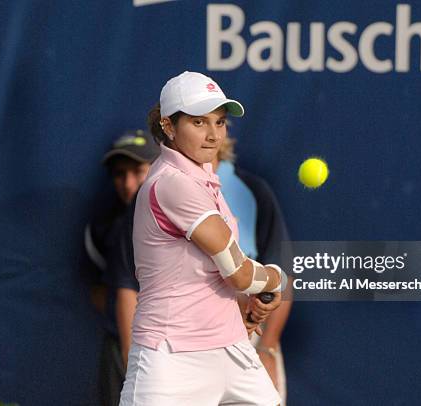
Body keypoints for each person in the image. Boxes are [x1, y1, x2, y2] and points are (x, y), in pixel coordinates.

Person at [119, 71, 286, 406]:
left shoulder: (205, 180)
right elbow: (238, 272)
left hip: (232, 352)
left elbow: (214, 277)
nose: (213, 136)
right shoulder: (172, 183)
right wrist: (276, 278)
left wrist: (248, 312)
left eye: (220, 123)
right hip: (170, 360)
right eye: (199, 123)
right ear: (168, 126)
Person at [212, 136, 293, 404]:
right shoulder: (165, 189)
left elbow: (283, 278)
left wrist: (267, 348)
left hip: (251, 340)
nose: (207, 133)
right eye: (196, 122)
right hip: (188, 339)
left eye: (215, 122)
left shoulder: (251, 191)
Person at [80, 130, 159, 406]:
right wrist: (132, 356)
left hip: (179, 347)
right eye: (119, 175)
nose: (128, 183)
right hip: (125, 350)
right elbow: (104, 292)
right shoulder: (103, 226)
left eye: (138, 171)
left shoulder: (182, 212)